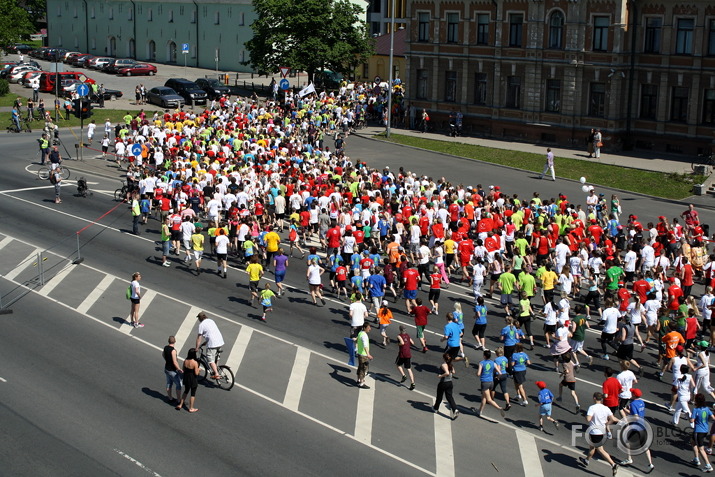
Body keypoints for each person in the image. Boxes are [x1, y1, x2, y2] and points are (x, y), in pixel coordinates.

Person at [579, 392, 621, 474]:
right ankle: (586, 460)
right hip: (602, 431)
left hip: (595, 432)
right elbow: (613, 419)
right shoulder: (606, 408)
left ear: (594, 398)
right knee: (592, 447)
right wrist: (608, 424)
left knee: (600, 450)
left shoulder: (592, 408)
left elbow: (588, 419)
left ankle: (613, 464)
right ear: (601, 399)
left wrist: (586, 417)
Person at [619, 388, 654, 471]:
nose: (631, 394)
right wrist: (626, 410)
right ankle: (650, 464)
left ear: (634, 395)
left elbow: (635, 416)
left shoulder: (633, 404)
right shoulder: (642, 402)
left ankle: (629, 459)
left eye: (632, 393)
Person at [195, 311, 225, 379]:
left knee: (210, 359)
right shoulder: (211, 320)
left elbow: (199, 338)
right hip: (220, 341)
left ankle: (216, 374)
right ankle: (216, 368)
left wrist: (197, 347)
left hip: (212, 343)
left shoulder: (201, 325)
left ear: (200, 318)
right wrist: (206, 342)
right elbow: (211, 332)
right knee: (217, 356)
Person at [691, 393, 715, 472]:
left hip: (698, 431)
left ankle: (708, 465)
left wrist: (689, 416)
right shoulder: (707, 409)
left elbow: (692, 420)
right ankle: (696, 458)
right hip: (705, 430)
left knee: (701, 449)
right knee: (692, 442)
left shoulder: (696, 410)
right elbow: (713, 418)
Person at [433, 352, 459, 420]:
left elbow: (447, 373)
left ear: (444, 358)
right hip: (450, 382)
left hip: (443, 383)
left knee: (439, 396)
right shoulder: (450, 364)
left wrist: (440, 376)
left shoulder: (443, 365)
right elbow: (453, 372)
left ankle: (435, 408)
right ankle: (455, 409)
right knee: (449, 397)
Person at [175, 348, 200, 413]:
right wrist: (199, 370)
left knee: (186, 391)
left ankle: (180, 404)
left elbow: (183, 369)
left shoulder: (185, 361)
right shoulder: (195, 362)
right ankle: (191, 408)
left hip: (186, 378)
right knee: (192, 393)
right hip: (192, 379)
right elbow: (196, 373)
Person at [163, 336, 182, 403]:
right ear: (174, 341)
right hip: (172, 370)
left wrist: (167, 360)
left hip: (166, 369)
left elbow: (163, 355)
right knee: (178, 384)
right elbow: (175, 362)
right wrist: (179, 369)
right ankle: (179, 400)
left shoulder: (165, 347)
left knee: (169, 383)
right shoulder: (173, 350)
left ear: (168, 341)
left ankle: (170, 397)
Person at [396, 325, 416, 390]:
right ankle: (412, 383)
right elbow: (412, 342)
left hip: (402, 353)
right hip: (408, 353)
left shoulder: (399, 336)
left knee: (398, 365)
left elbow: (402, 343)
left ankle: (404, 375)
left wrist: (398, 344)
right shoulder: (408, 335)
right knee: (409, 368)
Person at [356, 322, 373, 389]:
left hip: (360, 353)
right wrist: (368, 354)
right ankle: (361, 383)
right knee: (363, 369)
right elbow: (365, 345)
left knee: (360, 367)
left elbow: (357, 339)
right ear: (364, 328)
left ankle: (358, 379)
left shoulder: (360, 333)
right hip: (363, 355)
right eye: (368, 328)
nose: (370, 329)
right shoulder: (364, 336)